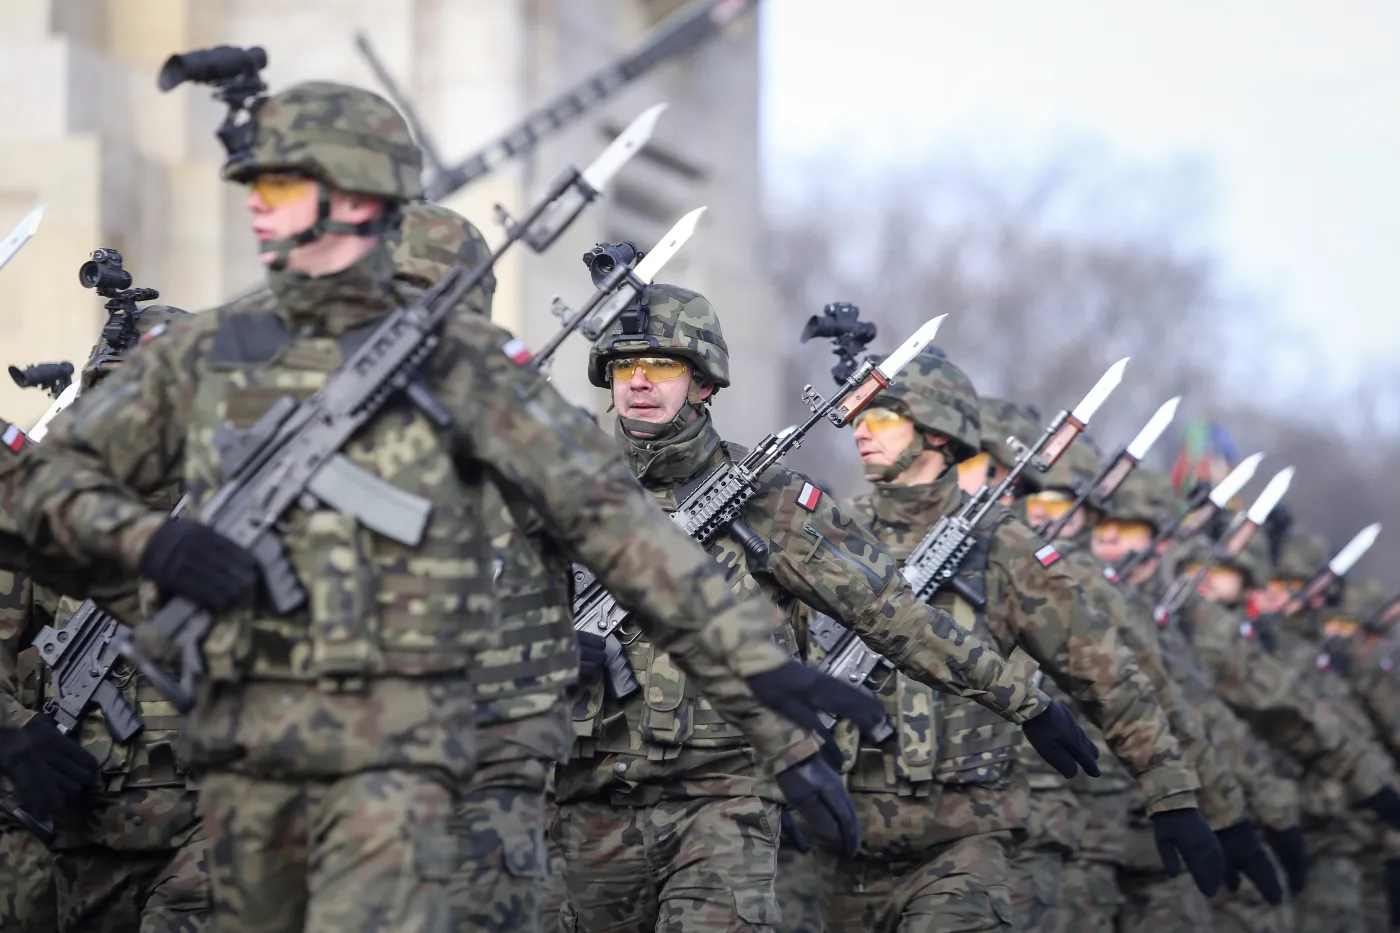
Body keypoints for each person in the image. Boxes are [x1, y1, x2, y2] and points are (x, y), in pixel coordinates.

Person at [1, 81, 894, 933]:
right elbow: (43, 490)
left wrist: (761, 692)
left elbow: (630, 538)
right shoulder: (233, 359)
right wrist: (153, 545)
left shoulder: (489, 395)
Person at [555, 289, 1096, 933]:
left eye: (662, 366)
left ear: (702, 382)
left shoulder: (770, 502)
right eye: (624, 367)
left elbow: (892, 614)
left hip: (720, 803)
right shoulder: (560, 485)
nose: (639, 382)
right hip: (581, 803)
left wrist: (1024, 702)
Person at [829, 352, 1219, 933]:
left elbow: (1104, 671)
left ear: (937, 431)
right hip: (835, 840)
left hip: (961, 843)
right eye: (858, 415)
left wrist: (1170, 792)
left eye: (882, 418)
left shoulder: (1005, 546)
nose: (860, 429)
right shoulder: (829, 534)